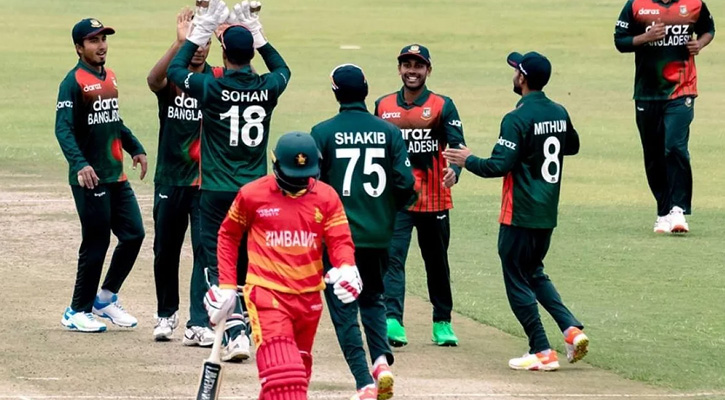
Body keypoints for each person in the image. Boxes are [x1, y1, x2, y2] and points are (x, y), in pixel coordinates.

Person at [444, 51, 588, 371]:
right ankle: (570, 329)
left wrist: (467, 159)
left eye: (515, 72)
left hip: (519, 211)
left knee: (516, 278)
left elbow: (498, 165)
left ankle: (541, 349)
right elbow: (572, 145)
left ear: (522, 78)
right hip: (547, 210)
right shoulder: (559, 111)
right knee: (533, 271)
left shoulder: (516, 118)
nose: (513, 76)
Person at [167, 0, 290, 361]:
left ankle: (235, 332)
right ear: (250, 53)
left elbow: (175, 70)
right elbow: (283, 69)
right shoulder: (268, 87)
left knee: (217, 262)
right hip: (255, 191)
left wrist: (202, 27)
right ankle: (247, 329)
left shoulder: (211, 87)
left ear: (224, 54)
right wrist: (257, 32)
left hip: (216, 192)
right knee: (250, 262)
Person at [205, 132, 362, 400]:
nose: (297, 184)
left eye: (303, 177)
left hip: (309, 299)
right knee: (286, 377)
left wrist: (347, 267)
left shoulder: (327, 197)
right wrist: (228, 286)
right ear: (275, 164)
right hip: (267, 294)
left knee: (294, 377)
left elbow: (339, 240)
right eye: (291, 177)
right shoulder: (252, 194)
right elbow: (228, 235)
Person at [311, 64, 416, 400]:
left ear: (335, 93)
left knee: (344, 310)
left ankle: (363, 381)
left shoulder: (322, 132)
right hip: (379, 235)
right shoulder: (389, 132)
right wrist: (387, 212)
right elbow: (406, 183)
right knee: (373, 299)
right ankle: (381, 362)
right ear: (366, 90)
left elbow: (311, 186)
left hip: (337, 240)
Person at [55, 18, 147, 332]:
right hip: (89, 177)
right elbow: (63, 128)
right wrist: (80, 164)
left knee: (134, 234)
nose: (102, 46)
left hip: (115, 174)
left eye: (103, 39)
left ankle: (105, 298)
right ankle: (76, 310)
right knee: (96, 241)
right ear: (79, 47)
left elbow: (113, 120)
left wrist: (135, 147)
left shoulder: (110, 77)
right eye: (93, 41)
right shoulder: (73, 82)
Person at [374, 44, 465, 347]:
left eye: (418, 66)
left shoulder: (442, 105)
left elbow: (457, 145)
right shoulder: (383, 105)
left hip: (434, 198)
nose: (412, 71)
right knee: (392, 259)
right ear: (399, 69)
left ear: (428, 70)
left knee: (436, 262)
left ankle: (442, 322)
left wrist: (455, 170)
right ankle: (392, 320)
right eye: (407, 65)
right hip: (397, 200)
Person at [146, 8, 224, 344]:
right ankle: (166, 314)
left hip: (206, 181)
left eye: (205, 42)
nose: (200, 48)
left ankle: (198, 322)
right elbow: (153, 80)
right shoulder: (174, 78)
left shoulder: (218, 79)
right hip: (170, 177)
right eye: (196, 41)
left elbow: (248, 80)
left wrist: (232, 36)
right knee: (165, 250)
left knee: (204, 252)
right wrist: (179, 44)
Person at [614, 0, 715, 233]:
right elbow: (620, 42)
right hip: (647, 93)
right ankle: (663, 211)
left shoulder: (694, 4)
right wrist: (646, 38)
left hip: (682, 89)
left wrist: (699, 44)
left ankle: (678, 210)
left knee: (675, 147)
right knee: (653, 154)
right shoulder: (636, 6)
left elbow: (709, 29)